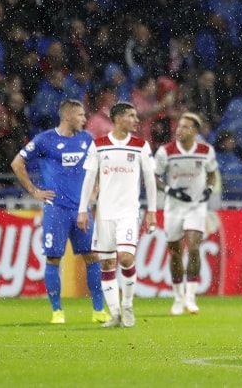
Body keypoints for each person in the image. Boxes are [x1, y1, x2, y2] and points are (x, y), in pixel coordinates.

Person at [10, 99, 110, 324]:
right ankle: (57, 311)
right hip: (56, 210)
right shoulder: (45, 140)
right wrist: (35, 191)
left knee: (93, 257)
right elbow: (17, 163)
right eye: (81, 115)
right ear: (67, 116)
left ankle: (98, 310)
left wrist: (95, 191)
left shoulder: (87, 140)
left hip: (81, 210)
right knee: (54, 258)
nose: (85, 120)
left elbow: (101, 166)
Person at [77, 102, 157, 328]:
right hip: (104, 214)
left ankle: (128, 305)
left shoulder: (141, 146)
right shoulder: (98, 145)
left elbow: (150, 180)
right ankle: (114, 313)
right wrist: (83, 209)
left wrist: (151, 211)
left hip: (129, 213)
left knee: (126, 258)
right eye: (131, 116)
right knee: (107, 263)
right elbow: (89, 179)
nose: (136, 119)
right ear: (118, 119)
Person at [154, 112, 218, 315]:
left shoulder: (206, 151)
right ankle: (178, 297)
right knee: (175, 252)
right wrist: (169, 190)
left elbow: (211, 174)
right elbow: (155, 176)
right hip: (173, 207)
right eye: (179, 126)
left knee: (194, 247)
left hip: (196, 206)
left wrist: (208, 189)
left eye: (185, 127)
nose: (179, 130)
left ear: (195, 131)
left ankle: (190, 297)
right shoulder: (166, 151)